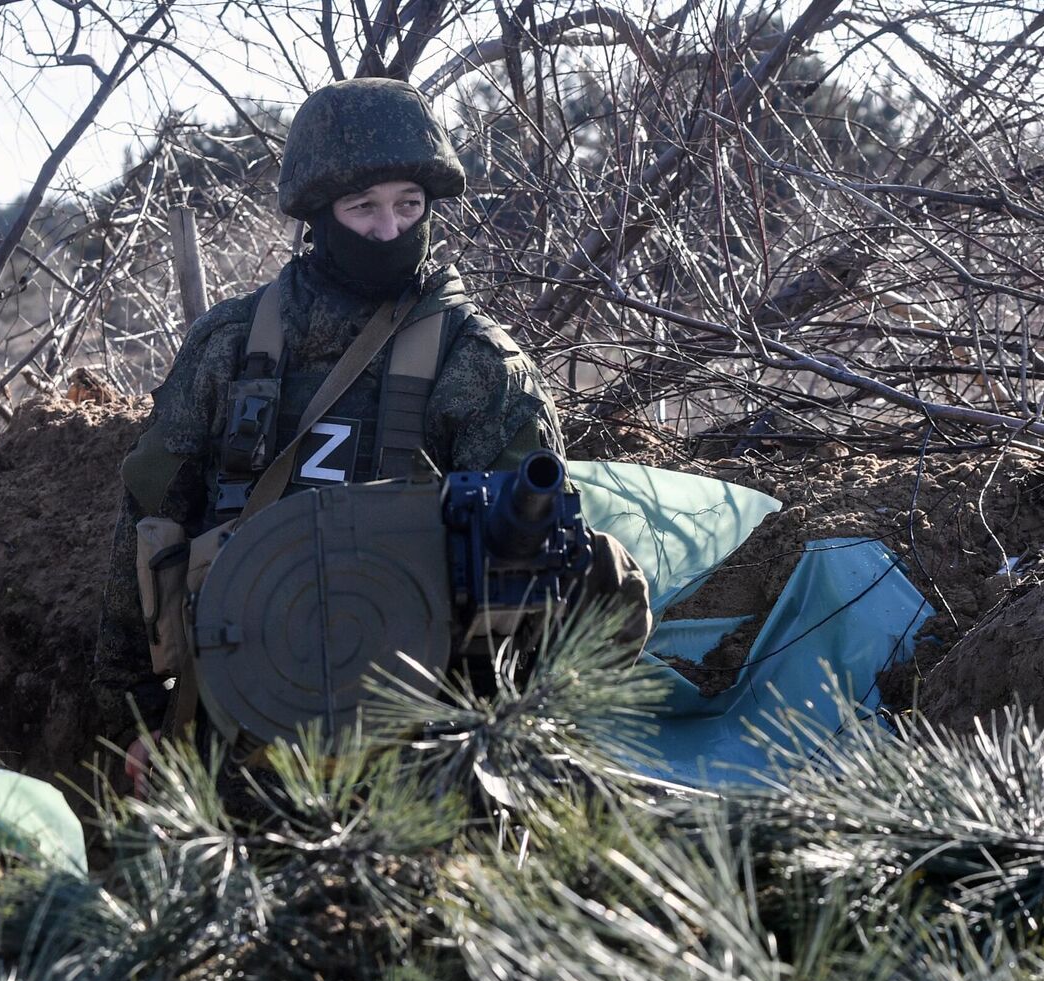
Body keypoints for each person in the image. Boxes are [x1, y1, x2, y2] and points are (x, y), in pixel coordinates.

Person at [94, 78, 650, 767]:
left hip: (415, 747)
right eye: (364, 208)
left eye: (408, 206)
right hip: (228, 723)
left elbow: (528, 580)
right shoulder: (231, 346)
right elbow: (148, 534)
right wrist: (135, 723)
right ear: (318, 213)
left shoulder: (479, 364)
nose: (390, 231)